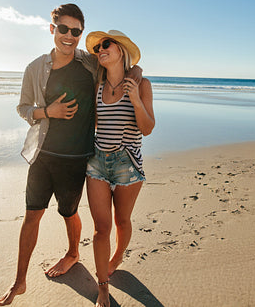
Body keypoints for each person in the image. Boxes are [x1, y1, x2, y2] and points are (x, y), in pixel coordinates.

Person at [0, 5, 141, 306]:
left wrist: (136, 73)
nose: (69, 36)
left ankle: (73, 253)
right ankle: (19, 282)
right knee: (31, 214)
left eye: (76, 31)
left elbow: (124, 67)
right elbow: (22, 108)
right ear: (52, 29)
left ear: (80, 34)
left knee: (68, 212)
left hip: (77, 158)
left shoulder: (89, 64)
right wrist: (49, 112)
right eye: (64, 29)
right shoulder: (35, 68)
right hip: (43, 153)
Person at [85, 30, 155, 307]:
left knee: (122, 221)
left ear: (121, 50)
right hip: (97, 162)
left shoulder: (143, 83)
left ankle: (118, 256)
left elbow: (147, 129)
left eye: (106, 44)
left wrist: (135, 97)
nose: (100, 49)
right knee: (101, 228)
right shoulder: (97, 86)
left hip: (128, 163)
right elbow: (91, 124)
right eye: (97, 48)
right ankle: (102, 287)